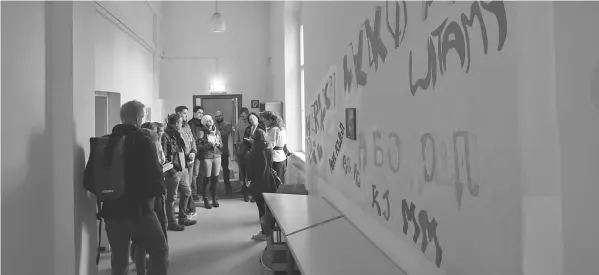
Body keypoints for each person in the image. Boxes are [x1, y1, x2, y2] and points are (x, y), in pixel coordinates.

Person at [84, 100, 169, 275]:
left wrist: (111, 193)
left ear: (122, 117)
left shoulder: (105, 142)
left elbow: (89, 181)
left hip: (112, 212)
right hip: (141, 211)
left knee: (119, 260)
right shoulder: (145, 141)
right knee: (160, 250)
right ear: (138, 119)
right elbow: (155, 179)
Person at [134, 122, 169, 275]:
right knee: (159, 245)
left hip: (138, 199)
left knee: (139, 240)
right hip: (150, 197)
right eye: (156, 131)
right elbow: (156, 170)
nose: (159, 133)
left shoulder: (133, 144)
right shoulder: (149, 146)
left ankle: (141, 268)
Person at [162, 113, 197, 231]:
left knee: (187, 192)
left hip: (183, 167)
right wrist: (170, 170)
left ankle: (183, 217)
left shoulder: (179, 133)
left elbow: (182, 148)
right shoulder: (165, 136)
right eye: (180, 122)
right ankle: (171, 222)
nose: (182, 124)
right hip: (173, 170)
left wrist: (190, 155)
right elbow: (164, 156)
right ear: (176, 123)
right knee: (171, 198)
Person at [244, 112, 275, 241]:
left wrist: (248, 179)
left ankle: (264, 232)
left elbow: (252, 169)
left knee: (261, 209)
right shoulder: (268, 149)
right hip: (268, 181)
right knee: (268, 209)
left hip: (259, 183)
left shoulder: (255, 152)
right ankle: (269, 231)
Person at [175, 106, 198, 217]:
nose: (186, 115)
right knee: (185, 186)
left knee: (187, 185)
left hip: (190, 158)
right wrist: (186, 155)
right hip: (182, 160)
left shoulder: (187, 126)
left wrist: (193, 151)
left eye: (187, 113)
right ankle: (189, 209)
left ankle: (190, 208)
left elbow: (192, 140)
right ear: (178, 113)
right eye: (184, 113)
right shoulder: (176, 127)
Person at [197, 115, 224, 209]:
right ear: (204, 123)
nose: (210, 122)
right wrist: (209, 145)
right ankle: (205, 200)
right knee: (207, 179)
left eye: (210, 120)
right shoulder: (201, 132)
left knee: (215, 179)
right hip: (207, 156)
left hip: (217, 156)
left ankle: (214, 199)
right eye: (207, 121)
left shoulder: (217, 132)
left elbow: (222, 146)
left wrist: (218, 144)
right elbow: (199, 146)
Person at [261, 111, 287, 185]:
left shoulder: (273, 130)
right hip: (280, 156)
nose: (264, 123)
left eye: (265, 121)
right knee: (278, 178)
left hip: (274, 157)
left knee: (273, 180)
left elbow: (269, 145)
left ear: (271, 120)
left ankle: (273, 195)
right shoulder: (281, 128)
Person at [214, 110, 233, 195]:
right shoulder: (213, 124)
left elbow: (226, 133)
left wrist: (217, 132)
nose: (218, 117)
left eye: (220, 115)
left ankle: (227, 182)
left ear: (222, 116)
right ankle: (214, 184)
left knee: (225, 168)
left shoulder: (227, 124)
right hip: (214, 151)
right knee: (214, 169)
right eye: (216, 116)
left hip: (224, 149)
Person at [188, 106, 204, 201]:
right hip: (194, 152)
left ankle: (199, 190)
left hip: (202, 151)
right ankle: (194, 193)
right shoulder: (191, 123)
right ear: (194, 113)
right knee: (194, 174)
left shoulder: (202, 124)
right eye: (199, 113)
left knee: (199, 173)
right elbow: (193, 138)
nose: (200, 115)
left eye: (202, 113)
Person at [234, 108, 250, 200]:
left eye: (243, 115)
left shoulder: (250, 122)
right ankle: (243, 188)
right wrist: (236, 144)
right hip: (240, 148)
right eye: (241, 116)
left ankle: (248, 191)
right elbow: (236, 132)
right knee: (241, 170)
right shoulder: (239, 121)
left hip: (248, 148)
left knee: (248, 171)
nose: (242, 117)